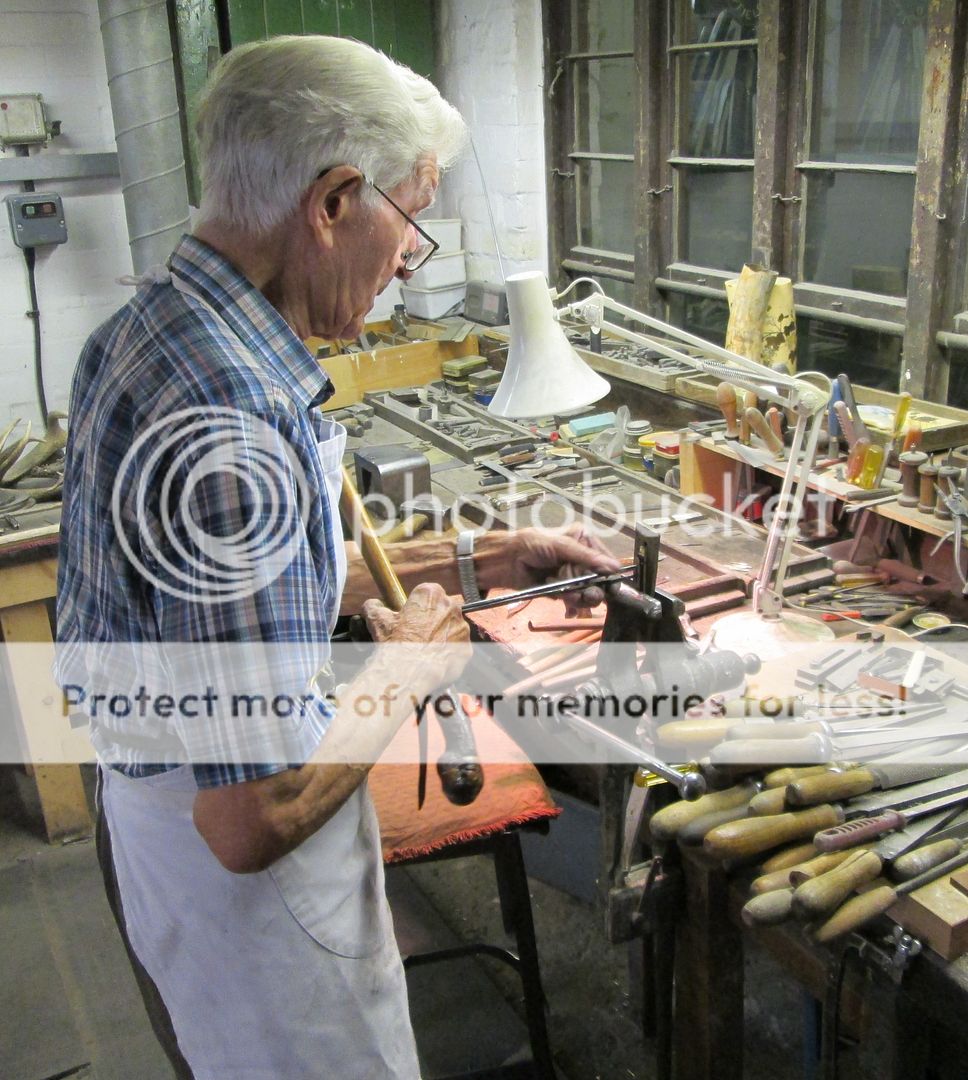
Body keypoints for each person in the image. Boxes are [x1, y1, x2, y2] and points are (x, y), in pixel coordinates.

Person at [55, 34, 618, 1080]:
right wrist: (405, 671)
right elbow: (253, 815)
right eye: (413, 220)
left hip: (155, 819)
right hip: (250, 890)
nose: (410, 260)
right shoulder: (236, 414)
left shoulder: (149, 330)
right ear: (332, 203)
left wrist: (492, 555)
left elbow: (268, 584)